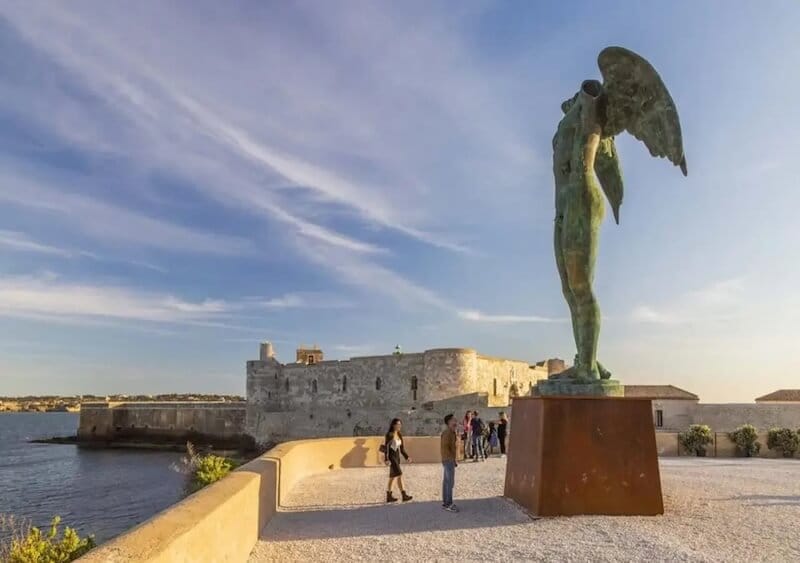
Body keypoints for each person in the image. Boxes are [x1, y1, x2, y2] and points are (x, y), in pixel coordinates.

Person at [383, 418, 413, 503]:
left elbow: (402, 449)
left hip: (397, 458)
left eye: (400, 424)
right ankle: (404, 495)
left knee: (392, 477)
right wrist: (386, 459)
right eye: (398, 424)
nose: (400, 426)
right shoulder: (389, 435)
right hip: (392, 458)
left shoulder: (399, 434)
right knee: (400, 474)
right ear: (393, 425)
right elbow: (385, 448)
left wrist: (407, 457)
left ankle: (389, 496)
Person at [440, 413, 459, 512]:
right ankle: (448, 504)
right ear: (448, 422)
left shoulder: (452, 432)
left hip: (448, 459)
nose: (456, 422)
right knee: (449, 482)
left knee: (447, 482)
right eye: (453, 420)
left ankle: (446, 503)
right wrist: (452, 459)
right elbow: (445, 448)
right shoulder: (447, 433)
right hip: (448, 460)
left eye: (455, 420)